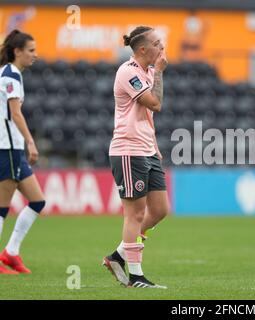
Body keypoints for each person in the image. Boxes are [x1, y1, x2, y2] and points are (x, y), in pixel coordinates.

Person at [103, 26, 170, 288]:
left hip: (147, 150)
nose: (161, 47)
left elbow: (147, 117)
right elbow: (155, 104)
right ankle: (136, 276)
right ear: (143, 49)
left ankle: (117, 256)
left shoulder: (147, 72)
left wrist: (154, 145)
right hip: (128, 151)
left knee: (160, 210)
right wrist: (161, 72)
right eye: (157, 43)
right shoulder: (128, 72)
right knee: (135, 215)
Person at [0, 29, 45, 275]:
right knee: (2, 207)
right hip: (7, 147)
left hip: (12, 148)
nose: (34, 55)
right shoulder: (10, 75)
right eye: (30, 51)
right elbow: (15, 113)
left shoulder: (12, 74)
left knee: (37, 201)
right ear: (17, 51)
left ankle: (11, 253)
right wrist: (31, 142)